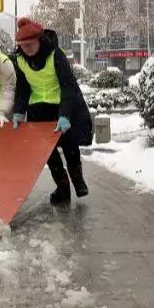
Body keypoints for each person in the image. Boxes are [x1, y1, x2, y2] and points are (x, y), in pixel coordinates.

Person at [11, 16, 92, 204]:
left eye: (30, 44)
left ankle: (78, 180)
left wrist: (64, 115)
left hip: (62, 104)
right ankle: (62, 187)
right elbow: (22, 88)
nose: (27, 48)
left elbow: (67, 85)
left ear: (39, 40)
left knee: (69, 143)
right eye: (23, 45)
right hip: (38, 108)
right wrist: (18, 112)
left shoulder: (56, 54)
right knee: (47, 151)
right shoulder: (20, 60)